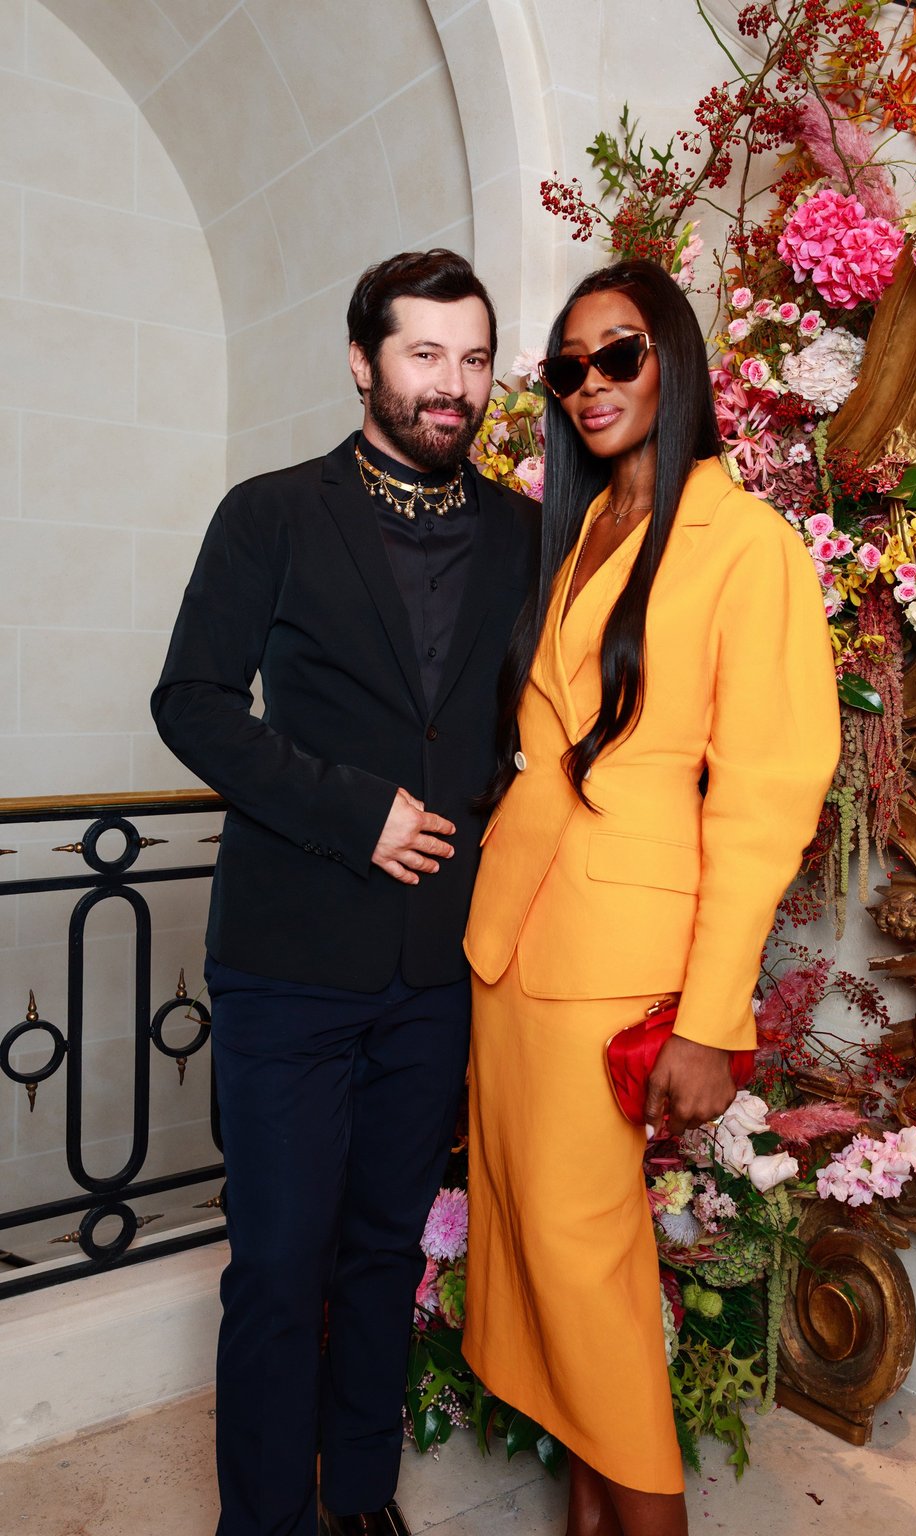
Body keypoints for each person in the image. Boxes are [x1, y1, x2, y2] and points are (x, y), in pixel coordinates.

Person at [152, 249, 536, 1536]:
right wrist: (349, 808)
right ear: (363, 362)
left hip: (435, 969)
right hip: (288, 957)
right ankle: (262, 1519)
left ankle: (361, 1500)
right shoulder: (269, 512)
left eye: (475, 358)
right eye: (425, 355)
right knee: (276, 1265)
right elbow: (190, 703)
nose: (454, 385)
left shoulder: (521, 532)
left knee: (384, 1254)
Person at [462, 260, 840, 1536]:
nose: (588, 387)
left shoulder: (748, 545)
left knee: (582, 1270)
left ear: (674, 362)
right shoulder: (578, 532)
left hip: (619, 958)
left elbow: (766, 800)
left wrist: (708, 1017)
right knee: (533, 1251)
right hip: (512, 942)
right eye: (566, 368)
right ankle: (583, 1518)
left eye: (616, 356)